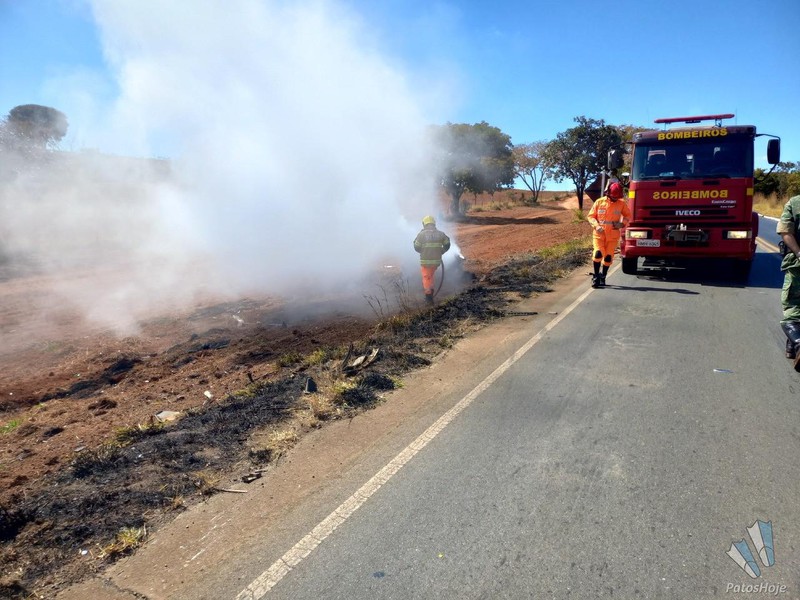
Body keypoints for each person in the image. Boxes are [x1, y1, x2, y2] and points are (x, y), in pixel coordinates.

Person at [586, 182, 631, 288]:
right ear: (608, 193)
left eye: (617, 197)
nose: (615, 199)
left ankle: (603, 276)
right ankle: (596, 277)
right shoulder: (599, 202)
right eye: (613, 196)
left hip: (613, 236)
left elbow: (628, 215)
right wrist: (596, 226)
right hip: (599, 234)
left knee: (608, 257)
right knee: (598, 254)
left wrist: (622, 224)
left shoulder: (621, 204)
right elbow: (591, 216)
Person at [776, 194, 800, 370]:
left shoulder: (795, 202)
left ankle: (797, 343)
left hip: (798, 265)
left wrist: (798, 253)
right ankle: (792, 347)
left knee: (793, 308)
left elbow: (786, 232)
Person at [413, 215, 451, 304]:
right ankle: (431, 294)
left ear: (424, 224)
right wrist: (442, 251)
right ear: (434, 223)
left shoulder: (421, 234)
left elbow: (416, 247)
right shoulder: (441, 234)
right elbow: (447, 244)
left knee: (426, 278)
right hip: (436, 261)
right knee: (430, 276)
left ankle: (429, 299)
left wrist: (423, 251)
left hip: (425, 261)